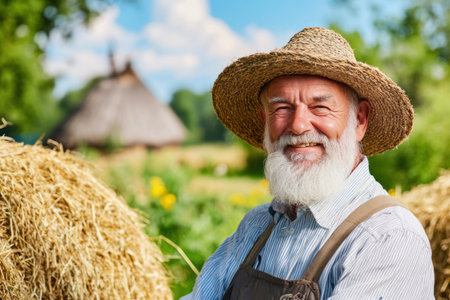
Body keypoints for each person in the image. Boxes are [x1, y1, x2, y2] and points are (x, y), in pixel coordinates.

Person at [181, 27, 434, 299]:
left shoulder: (387, 238)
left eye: (320, 107)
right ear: (265, 121)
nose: (298, 125)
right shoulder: (255, 226)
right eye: (281, 108)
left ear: (359, 119)